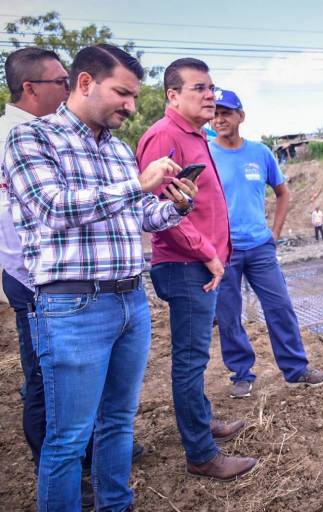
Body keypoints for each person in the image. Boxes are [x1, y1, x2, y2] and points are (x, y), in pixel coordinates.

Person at [3, 44, 197, 512]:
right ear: (85, 83)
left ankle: (116, 504)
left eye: (134, 96)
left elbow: (136, 216)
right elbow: (52, 208)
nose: (131, 106)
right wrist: (138, 185)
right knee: (68, 438)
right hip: (72, 307)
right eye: (123, 94)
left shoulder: (118, 150)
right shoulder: (31, 139)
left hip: (131, 301)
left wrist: (175, 205)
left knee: (118, 423)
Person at [136, 58, 257, 482]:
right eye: (199, 89)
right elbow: (162, 211)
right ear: (172, 95)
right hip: (186, 265)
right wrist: (208, 253)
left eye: (212, 88)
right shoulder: (164, 136)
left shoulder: (194, 134)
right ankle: (201, 454)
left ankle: (202, 422)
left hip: (200, 262)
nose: (210, 96)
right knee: (189, 360)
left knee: (197, 355)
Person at [209, 89, 323, 399]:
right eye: (216, 113)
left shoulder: (260, 153)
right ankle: (241, 374)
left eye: (227, 112)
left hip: (260, 246)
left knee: (279, 306)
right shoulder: (206, 153)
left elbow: (283, 192)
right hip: (224, 250)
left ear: (241, 116)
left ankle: (296, 368)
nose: (220, 118)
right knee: (228, 313)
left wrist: (274, 233)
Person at [0, 46, 70, 478]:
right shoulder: (13, 137)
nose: (69, 89)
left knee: (67, 368)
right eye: (61, 81)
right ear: (30, 88)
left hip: (48, 272)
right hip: (31, 276)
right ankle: (54, 472)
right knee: (44, 376)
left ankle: (82, 450)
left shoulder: (49, 130)